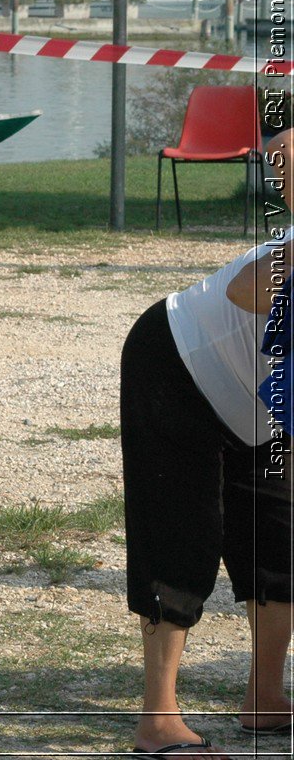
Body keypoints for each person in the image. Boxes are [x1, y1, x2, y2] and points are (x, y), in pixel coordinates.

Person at [119, 228, 293, 757]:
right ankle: (159, 723)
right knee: (182, 536)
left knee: (281, 537)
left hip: (261, 403)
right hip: (178, 360)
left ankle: (264, 697)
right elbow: (247, 286)